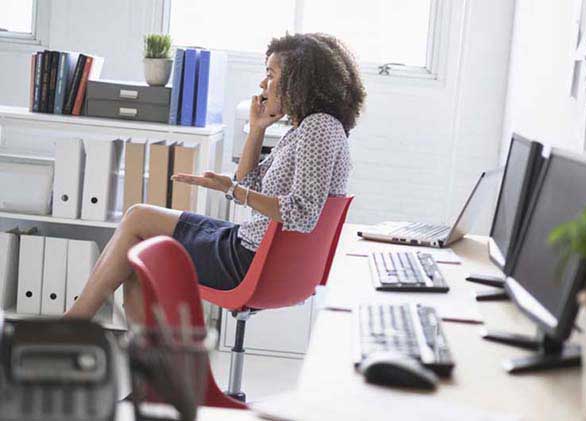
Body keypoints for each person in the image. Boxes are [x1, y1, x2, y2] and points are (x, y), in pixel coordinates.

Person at [64, 33, 365, 322]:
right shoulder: (305, 129)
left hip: (249, 261)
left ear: (299, 80)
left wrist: (234, 191)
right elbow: (249, 184)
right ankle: (139, 362)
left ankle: (73, 326)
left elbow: (301, 213)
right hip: (248, 246)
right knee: (139, 253)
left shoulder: (319, 128)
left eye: (271, 74)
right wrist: (256, 129)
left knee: (138, 220)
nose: (263, 83)